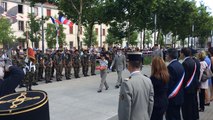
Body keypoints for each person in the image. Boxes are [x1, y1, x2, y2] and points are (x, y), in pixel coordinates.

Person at [118, 52, 154, 120]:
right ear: (140, 65)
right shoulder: (148, 80)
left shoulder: (127, 84)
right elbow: (151, 103)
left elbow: (125, 109)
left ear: (128, 65)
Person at [166, 48, 185, 120]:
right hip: (179, 96)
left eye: (167, 54)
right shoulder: (180, 65)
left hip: (173, 97)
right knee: (177, 116)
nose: (166, 56)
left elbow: (169, 84)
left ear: (169, 56)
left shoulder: (170, 67)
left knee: (171, 116)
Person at [180, 48, 199, 120]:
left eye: (181, 53)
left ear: (183, 54)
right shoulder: (193, 61)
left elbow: (185, 78)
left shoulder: (185, 63)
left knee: (187, 106)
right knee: (193, 104)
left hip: (187, 88)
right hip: (194, 86)